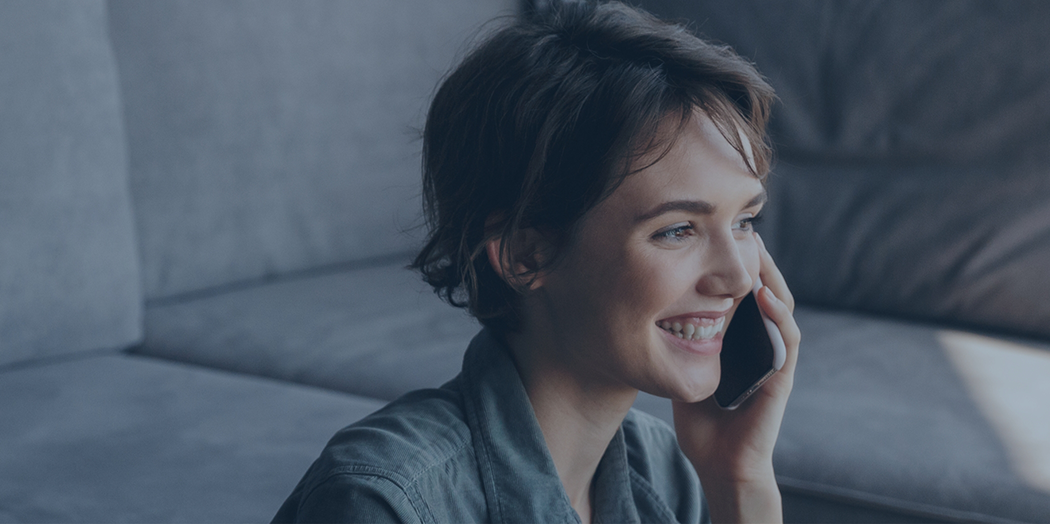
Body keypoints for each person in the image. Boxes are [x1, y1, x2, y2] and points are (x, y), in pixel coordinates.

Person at [272, 2, 800, 523]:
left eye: (744, 221)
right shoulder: (386, 502)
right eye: (677, 229)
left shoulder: (664, 471)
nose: (736, 277)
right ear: (526, 254)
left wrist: (740, 483)